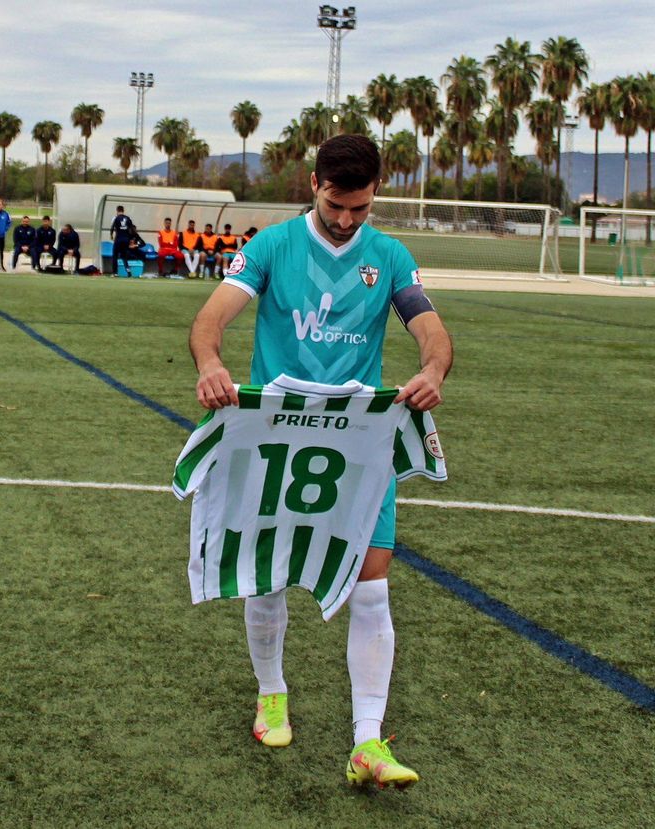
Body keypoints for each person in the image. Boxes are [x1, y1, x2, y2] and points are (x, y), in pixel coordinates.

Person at [188, 134, 452, 790]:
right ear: (314, 183)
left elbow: (429, 328)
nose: (345, 219)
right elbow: (210, 319)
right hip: (274, 435)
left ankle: (368, 739)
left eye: (360, 208)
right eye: (337, 204)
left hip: (358, 443)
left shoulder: (389, 256)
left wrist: (433, 368)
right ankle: (271, 692)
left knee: (373, 587)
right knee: (268, 576)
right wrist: (211, 363)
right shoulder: (273, 246)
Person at [109, 204, 136, 276]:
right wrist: (132, 239)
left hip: (118, 239)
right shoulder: (128, 218)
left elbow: (112, 228)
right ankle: (128, 271)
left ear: (117, 211)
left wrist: (111, 235)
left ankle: (115, 273)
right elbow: (132, 229)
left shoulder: (115, 218)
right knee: (124, 256)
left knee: (115, 255)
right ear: (123, 211)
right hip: (126, 239)